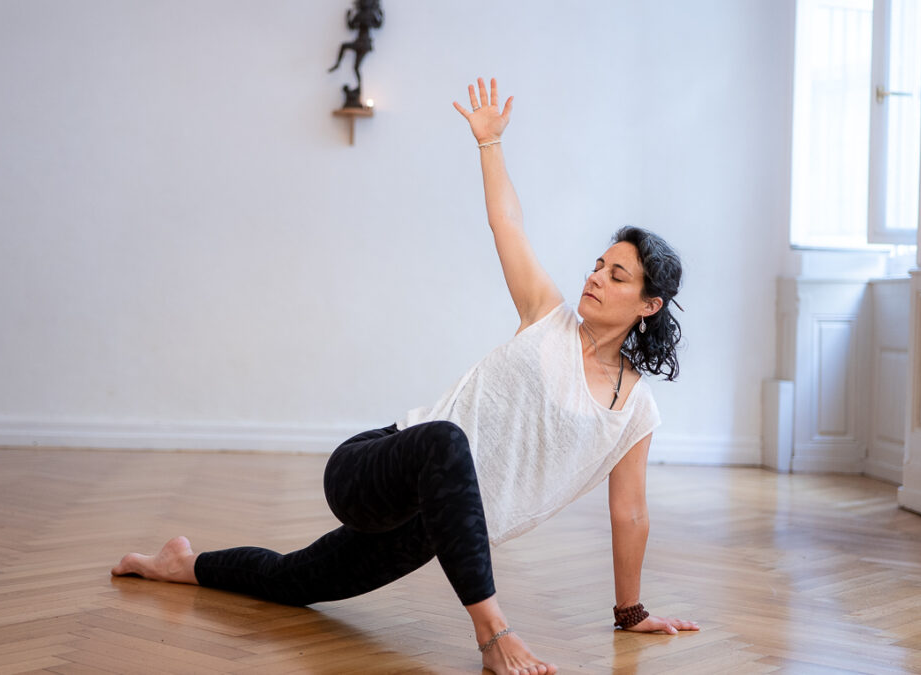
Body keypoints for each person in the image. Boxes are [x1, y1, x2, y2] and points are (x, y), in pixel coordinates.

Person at [112, 77, 699, 675]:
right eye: (599, 264)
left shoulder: (635, 411)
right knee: (449, 439)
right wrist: (490, 145)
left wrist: (630, 614)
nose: (596, 277)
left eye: (618, 276)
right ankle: (493, 633)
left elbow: (629, 514)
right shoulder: (547, 316)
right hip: (376, 466)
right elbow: (508, 224)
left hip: (432, 526)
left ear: (649, 305)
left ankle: (178, 564)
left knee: (294, 581)